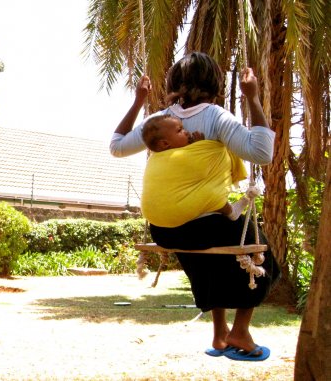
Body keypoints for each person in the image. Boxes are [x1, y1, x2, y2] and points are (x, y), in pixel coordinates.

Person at [110, 52, 280, 361]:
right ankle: (239, 331)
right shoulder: (216, 117)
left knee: (206, 265)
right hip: (205, 227)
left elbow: (117, 147)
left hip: (166, 231)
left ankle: (218, 334)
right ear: (214, 83)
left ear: (175, 82)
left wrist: (138, 102)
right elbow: (261, 152)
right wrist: (253, 99)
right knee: (261, 255)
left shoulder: (158, 122)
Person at [141, 114, 253, 222]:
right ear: (165, 144)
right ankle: (232, 212)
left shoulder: (153, 159)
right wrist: (202, 146)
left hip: (155, 219)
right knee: (212, 195)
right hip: (178, 214)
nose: (186, 132)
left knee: (202, 191)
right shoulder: (178, 157)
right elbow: (203, 164)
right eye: (179, 130)